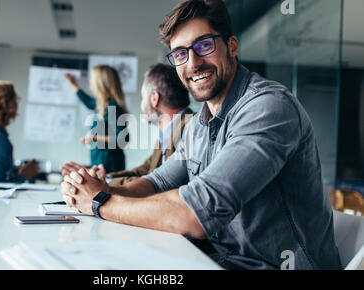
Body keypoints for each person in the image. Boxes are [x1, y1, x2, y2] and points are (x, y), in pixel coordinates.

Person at [61, 0, 342, 270]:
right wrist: (106, 190)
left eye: (204, 45)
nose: (193, 63)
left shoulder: (268, 107)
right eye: (180, 53)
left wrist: (100, 203)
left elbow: (197, 212)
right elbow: (158, 181)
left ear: (232, 46)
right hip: (219, 260)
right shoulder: (198, 124)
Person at [61, 63, 195, 186]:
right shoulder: (166, 134)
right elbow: (144, 171)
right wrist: (102, 176)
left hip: (111, 163)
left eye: (143, 97)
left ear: (154, 99)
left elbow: (159, 183)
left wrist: (103, 179)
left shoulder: (189, 129)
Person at [64, 65, 129, 173]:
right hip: (100, 164)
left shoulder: (112, 108)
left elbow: (122, 139)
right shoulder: (101, 106)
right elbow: (88, 101)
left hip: (110, 166)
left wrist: (94, 137)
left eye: (92, 79)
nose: (90, 82)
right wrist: (73, 84)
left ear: (101, 84)